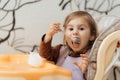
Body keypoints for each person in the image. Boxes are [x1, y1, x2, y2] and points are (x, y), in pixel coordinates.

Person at [39, 11, 98, 80]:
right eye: (71, 29)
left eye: (81, 28)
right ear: (65, 33)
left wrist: (86, 71)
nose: (75, 32)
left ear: (91, 35)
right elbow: (45, 55)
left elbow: (97, 77)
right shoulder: (61, 50)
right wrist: (48, 36)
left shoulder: (93, 56)